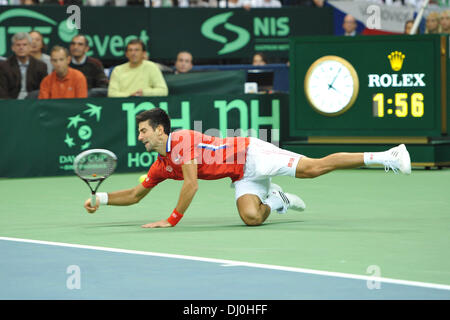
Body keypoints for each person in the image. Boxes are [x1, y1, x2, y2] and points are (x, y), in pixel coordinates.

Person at [83, 108, 412, 228]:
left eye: (143, 130)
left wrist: (171, 221)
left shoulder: (181, 140)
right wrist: (103, 199)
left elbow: (191, 185)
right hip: (240, 174)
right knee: (251, 218)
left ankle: (389, 156)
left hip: (253, 155)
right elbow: (136, 194)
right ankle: (279, 200)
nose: (139, 136)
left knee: (314, 168)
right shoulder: (160, 165)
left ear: (160, 130)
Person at [1, 32, 47, 99]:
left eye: (24, 45)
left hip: (33, 104)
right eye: (18, 45)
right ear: (13, 48)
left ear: (30, 47)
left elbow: (43, 90)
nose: (21, 47)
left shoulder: (41, 66)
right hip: (11, 104)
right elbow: (2, 92)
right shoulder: (4, 66)